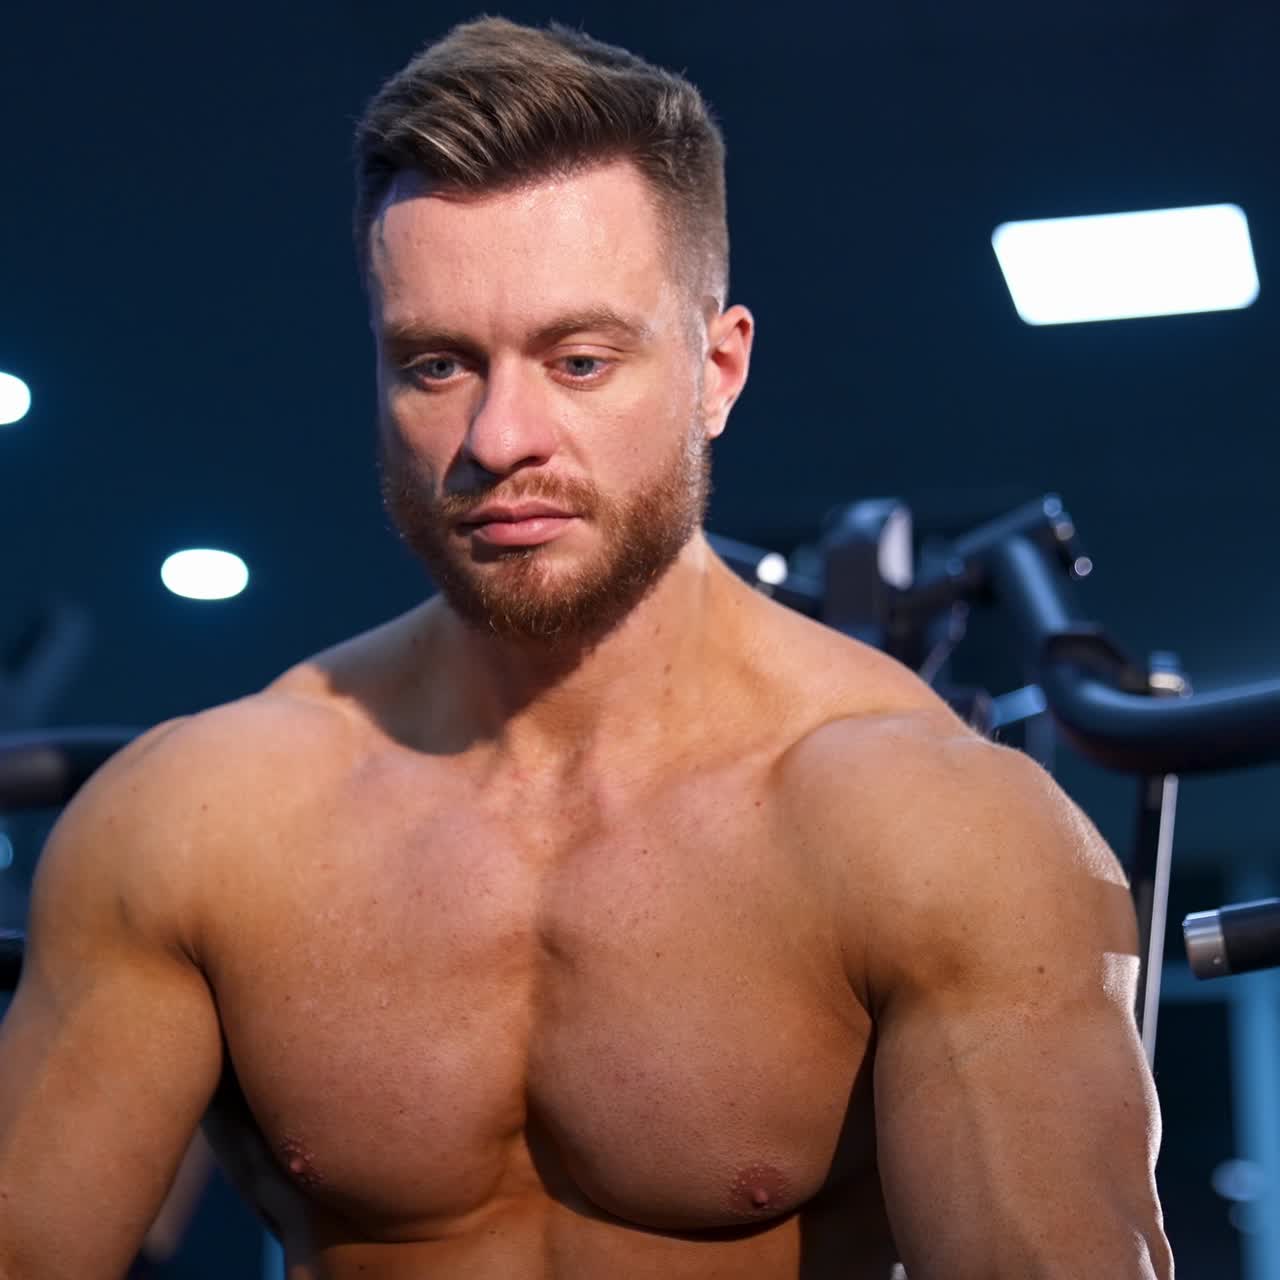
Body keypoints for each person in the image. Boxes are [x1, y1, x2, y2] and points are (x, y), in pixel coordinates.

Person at [0, 17, 1172, 1280]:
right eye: (437, 362)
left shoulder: (935, 828)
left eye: (579, 358)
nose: (501, 434)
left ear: (717, 370)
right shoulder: (197, 819)